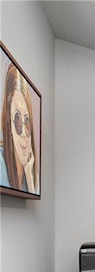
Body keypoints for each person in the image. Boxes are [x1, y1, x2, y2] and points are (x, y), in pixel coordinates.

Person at [1, 63, 39, 194]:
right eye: (17, 119)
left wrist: (29, 175)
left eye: (27, 121)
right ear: (9, 124)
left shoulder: (31, 169)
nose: (23, 133)